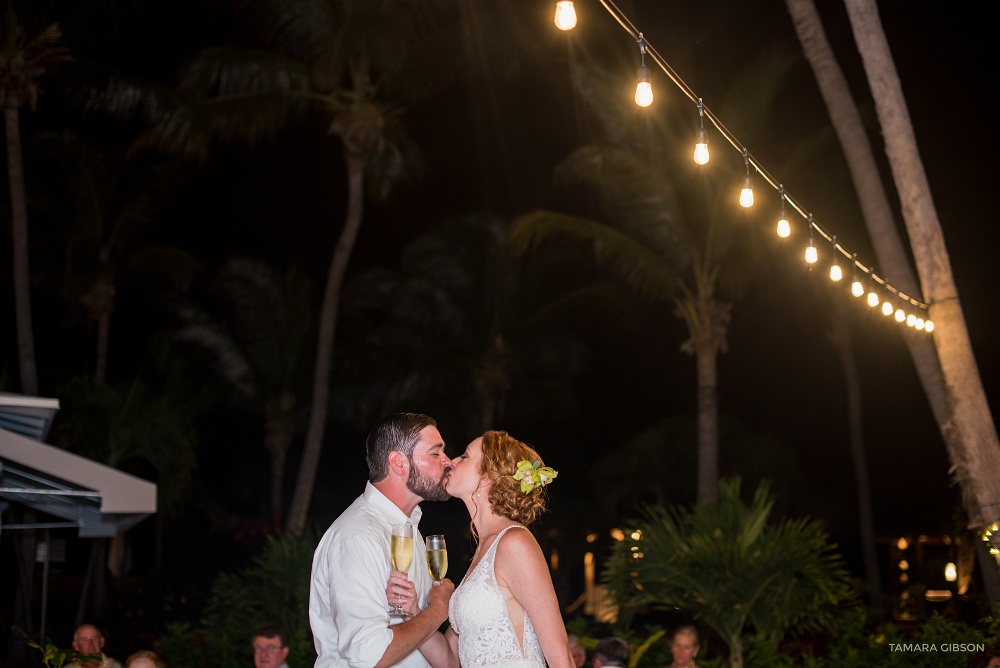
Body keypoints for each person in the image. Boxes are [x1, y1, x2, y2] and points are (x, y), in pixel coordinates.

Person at [389, 429, 574, 668]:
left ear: (486, 477)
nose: (452, 462)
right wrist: (413, 610)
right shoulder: (482, 552)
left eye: (464, 456)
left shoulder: (514, 543)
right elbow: (450, 660)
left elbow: (561, 657)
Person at [309, 413, 455, 668]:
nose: (448, 462)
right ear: (399, 463)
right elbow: (369, 655)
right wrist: (438, 609)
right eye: (435, 453)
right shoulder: (357, 536)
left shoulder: (407, 528)